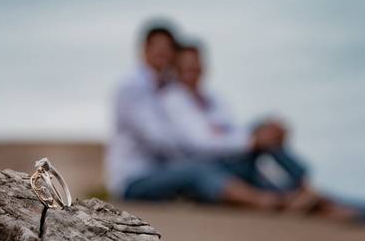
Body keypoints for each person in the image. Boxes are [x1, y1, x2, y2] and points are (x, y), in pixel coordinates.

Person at [157, 41, 365, 226]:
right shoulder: (174, 99)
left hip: (237, 166)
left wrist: (252, 137)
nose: (193, 73)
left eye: (197, 67)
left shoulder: (214, 100)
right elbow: (198, 144)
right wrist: (252, 140)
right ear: (177, 71)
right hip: (214, 174)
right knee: (302, 185)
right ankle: (308, 184)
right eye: (186, 68)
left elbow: (228, 134)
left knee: (315, 195)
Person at [105, 22, 291, 211]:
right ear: (145, 49)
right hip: (136, 178)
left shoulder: (172, 88)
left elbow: (211, 129)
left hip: (166, 170)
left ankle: (295, 191)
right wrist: (197, 140)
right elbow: (157, 139)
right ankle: (263, 201)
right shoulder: (133, 87)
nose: (164, 54)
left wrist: (207, 137)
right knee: (198, 169)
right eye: (158, 49)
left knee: (261, 134)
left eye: (168, 50)